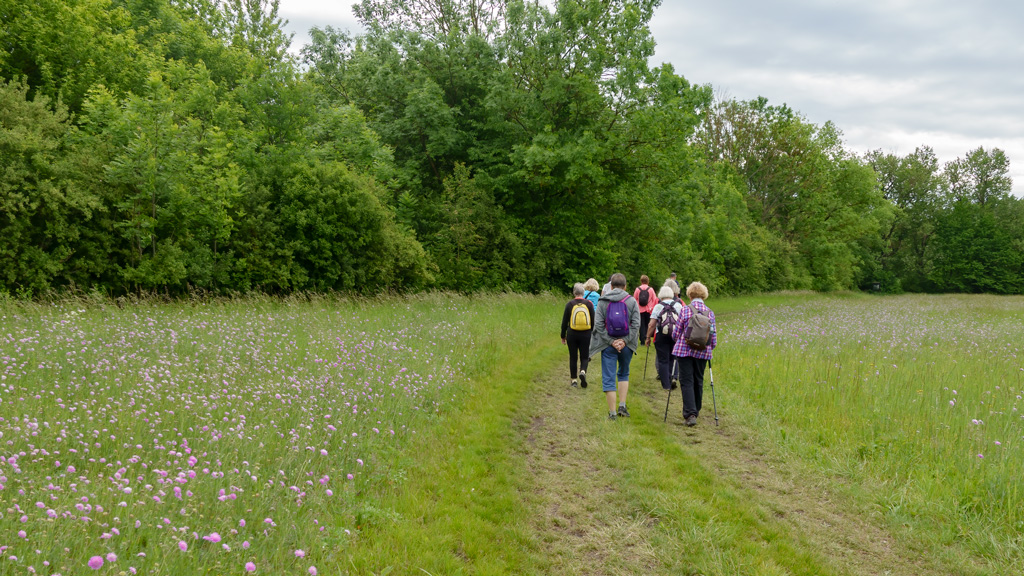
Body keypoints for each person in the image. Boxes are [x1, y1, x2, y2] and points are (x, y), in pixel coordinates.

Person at [589, 273, 641, 420]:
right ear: (625, 286)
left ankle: (612, 414)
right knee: (624, 373)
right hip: (627, 344)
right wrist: (624, 341)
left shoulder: (603, 301)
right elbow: (636, 324)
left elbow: (598, 324)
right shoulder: (631, 301)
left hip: (608, 345)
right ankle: (622, 406)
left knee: (608, 377)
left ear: (610, 286)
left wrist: (611, 341)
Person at [671, 281, 717, 426]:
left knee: (686, 381)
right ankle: (696, 409)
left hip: (684, 351)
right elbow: (713, 338)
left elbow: (676, 333)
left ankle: (690, 414)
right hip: (703, 352)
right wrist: (709, 348)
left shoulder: (685, 310)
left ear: (690, 295)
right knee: (698, 380)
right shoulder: (710, 312)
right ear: (704, 295)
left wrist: (677, 340)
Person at [646, 285, 683, 391]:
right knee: (673, 358)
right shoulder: (678, 306)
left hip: (661, 336)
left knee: (663, 360)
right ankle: (673, 377)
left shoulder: (658, 306)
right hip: (675, 336)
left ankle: (666, 384)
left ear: (661, 295)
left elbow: (651, 324)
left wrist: (648, 337)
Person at [561, 283, 595, 388]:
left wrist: (563, 335)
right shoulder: (589, 304)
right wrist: (592, 333)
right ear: (583, 293)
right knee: (584, 356)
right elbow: (593, 321)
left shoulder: (569, 304)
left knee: (573, 357)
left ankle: (574, 380)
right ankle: (583, 371)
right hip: (586, 334)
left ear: (574, 292)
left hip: (572, 333)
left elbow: (564, 322)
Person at [633, 275, 657, 346]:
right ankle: (647, 339)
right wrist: (651, 307)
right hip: (648, 310)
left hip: (639, 310)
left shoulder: (637, 289)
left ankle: (642, 341)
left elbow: (634, 299)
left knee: (641, 325)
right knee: (648, 325)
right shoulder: (651, 289)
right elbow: (654, 299)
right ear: (648, 281)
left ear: (641, 281)